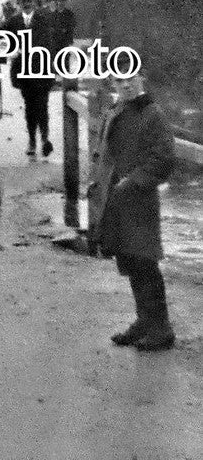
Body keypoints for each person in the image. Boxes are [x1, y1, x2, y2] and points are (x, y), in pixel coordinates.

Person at [89, 70, 176, 351]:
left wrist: (133, 181)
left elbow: (163, 159)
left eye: (131, 79)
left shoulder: (153, 114)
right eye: (119, 80)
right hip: (117, 200)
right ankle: (144, 321)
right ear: (113, 83)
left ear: (142, 79)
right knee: (129, 260)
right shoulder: (118, 109)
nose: (125, 85)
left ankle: (161, 330)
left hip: (139, 201)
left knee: (145, 262)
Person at [1, 0, 56, 157]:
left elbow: (48, 43)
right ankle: (32, 140)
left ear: (33, 2)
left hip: (42, 71)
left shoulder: (43, 20)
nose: (26, 4)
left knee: (42, 106)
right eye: (23, 1)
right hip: (24, 74)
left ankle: (45, 139)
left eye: (29, 1)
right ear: (18, 2)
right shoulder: (14, 21)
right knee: (30, 108)